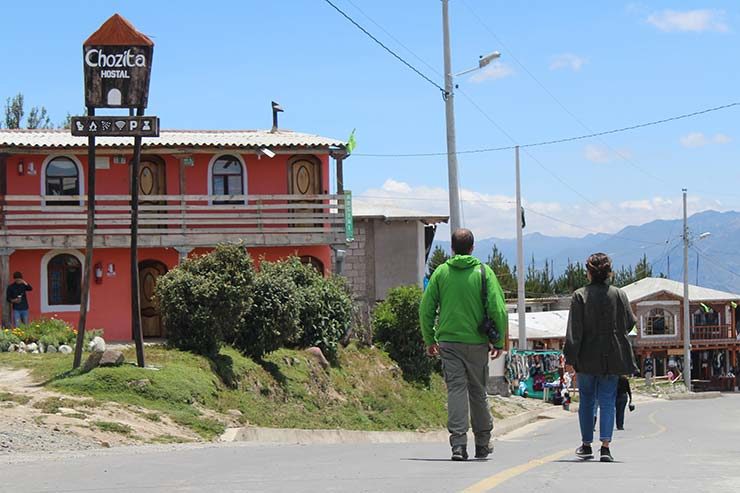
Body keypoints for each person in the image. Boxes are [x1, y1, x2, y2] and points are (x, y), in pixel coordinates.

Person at [420, 228, 508, 461]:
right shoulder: (483, 272)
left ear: (452, 249)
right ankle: (482, 442)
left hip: (448, 343)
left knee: (456, 390)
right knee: (478, 391)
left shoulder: (441, 273)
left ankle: (458, 445)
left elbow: (426, 308)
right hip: (477, 343)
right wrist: (498, 340)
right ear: (472, 247)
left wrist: (430, 338)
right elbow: (497, 308)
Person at [564, 253, 638, 463]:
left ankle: (586, 444)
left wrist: (570, 357)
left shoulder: (580, 296)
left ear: (588, 272)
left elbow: (574, 331)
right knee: (607, 400)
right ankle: (605, 447)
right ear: (609, 272)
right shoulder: (619, 294)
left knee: (587, 400)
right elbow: (630, 322)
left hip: (586, 356)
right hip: (612, 356)